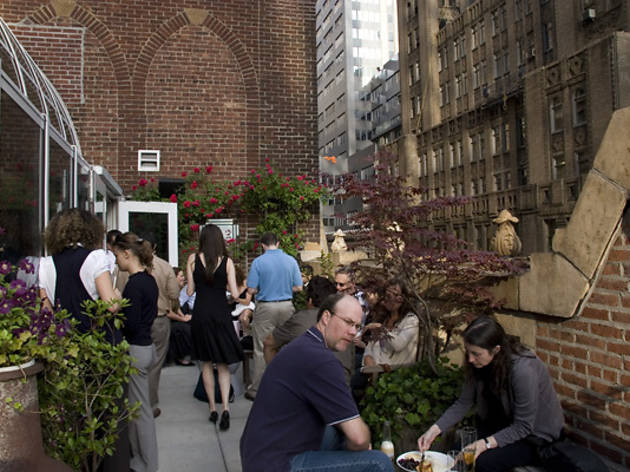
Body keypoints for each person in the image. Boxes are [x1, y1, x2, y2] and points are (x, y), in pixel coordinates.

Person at [240, 293, 393, 472]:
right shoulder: (322, 360)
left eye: (357, 326)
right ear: (326, 317)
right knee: (378, 463)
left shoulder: (303, 344)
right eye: (348, 322)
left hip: (258, 451)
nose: (353, 332)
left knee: (337, 431)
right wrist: (362, 445)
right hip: (276, 464)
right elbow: (359, 439)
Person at [38, 209, 128, 471]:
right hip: (98, 349)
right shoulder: (94, 258)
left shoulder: (46, 264)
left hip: (66, 351)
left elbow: (47, 314)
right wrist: (119, 294)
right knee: (105, 416)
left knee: (72, 419)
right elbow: (110, 304)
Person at [417, 316, 564, 472]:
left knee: (483, 462)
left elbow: (523, 426)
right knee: (456, 452)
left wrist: (484, 444)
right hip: (500, 425)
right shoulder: (476, 363)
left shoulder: (523, 370)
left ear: (496, 350)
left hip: (533, 438)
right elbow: (464, 403)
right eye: (468, 352)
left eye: (476, 354)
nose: (470, 359)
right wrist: (434, 430)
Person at [187, 224, 244, 430]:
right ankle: (226, 408)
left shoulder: (193, 260)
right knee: (222, 364)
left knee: (205, 363)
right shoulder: (227, 262)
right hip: (220, 315)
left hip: (201, 314)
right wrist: (242, 296)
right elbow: (235, 295)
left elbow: (191, 290)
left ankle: (212, 408)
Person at [112, 232, 159, 472]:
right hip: (146, 346)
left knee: (140, 412)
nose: (116, 261)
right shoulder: (149, 281)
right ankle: (141, 461)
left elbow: (130, 323)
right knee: (139, 408)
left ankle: (147, 464)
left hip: (137, 349)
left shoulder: (133, 285)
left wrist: (117, 308)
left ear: (127, 254)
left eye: (117, 255)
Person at [244, 232, 302, 400]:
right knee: (286, 346)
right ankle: (288, 385)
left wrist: (266, 288)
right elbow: (299, 287)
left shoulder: (258, 262)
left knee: (262, 347)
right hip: (286, 306)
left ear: (262, 245)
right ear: (278, 243)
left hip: (266, 307)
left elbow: (251, 290)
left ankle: (258, 389)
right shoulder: (291, 260)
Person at [262, 276, 353, 379]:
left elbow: (268, 343)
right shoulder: (346, 322)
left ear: (310, 301)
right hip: (341, 387)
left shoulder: (300, 319)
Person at [140, 235, 180, 418]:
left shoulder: (126, 267)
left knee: (135, 362)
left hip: (137, 318)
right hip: (159, 317)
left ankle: (134, 401)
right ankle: (149, 402)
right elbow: (174, 293)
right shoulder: (164, 266)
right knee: (155, 363)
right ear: (155, 247)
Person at [362, 280, 419, 370]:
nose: (386, 299)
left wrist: (382, 329)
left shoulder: (411, 320)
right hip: (373, 368)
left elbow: (399, 345)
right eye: (385, 295)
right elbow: (370, 345)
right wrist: (367, 357)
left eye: (390, 296)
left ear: (401, 299)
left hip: (393, 371)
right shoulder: (384, 318)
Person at [166, 267, 193, 366]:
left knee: (192, 323)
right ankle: (183, 356)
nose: (183, 278)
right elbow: (169, 312)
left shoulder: (176, 291)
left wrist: (184, 317)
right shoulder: (167, 291)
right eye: (181, 276)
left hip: (175, 318)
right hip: (167, 321)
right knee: (183, 328)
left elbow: (176, 308)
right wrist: (182, 319)